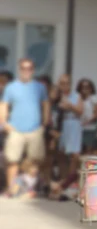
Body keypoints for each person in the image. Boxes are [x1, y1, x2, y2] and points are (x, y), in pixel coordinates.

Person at [0, 58, 49, 195]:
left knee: (35, 160)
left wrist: (44, 123)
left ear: (33, 70)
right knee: (12, 160)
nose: (26, 71)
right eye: (23, 68)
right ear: (19, 69)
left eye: (29, 68)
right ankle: (11, 189)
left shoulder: (40, 87)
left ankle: (31, 189)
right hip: (15, 129)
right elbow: (3, 105)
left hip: (34, 129)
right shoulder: (11, 87)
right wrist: (4, 123)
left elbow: (46, 104)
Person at [54, 74, 84, 196]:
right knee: (60, 153)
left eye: (66, 83)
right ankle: (63, 179)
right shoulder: (56, 96)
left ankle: (70, 181)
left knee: (74, 155)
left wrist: (70, 106)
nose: (64, 85)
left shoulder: (76, 96)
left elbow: (80, 111)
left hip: (73, 123)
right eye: (61, 83)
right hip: (60, 125)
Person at [78, 79, 97, 155]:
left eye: (87, 87)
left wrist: (87, 122)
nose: (85, 89)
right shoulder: (78, 98)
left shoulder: (94, 98)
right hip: (79, 128)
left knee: (89, 150)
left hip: (90, 128)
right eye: (83, 87)